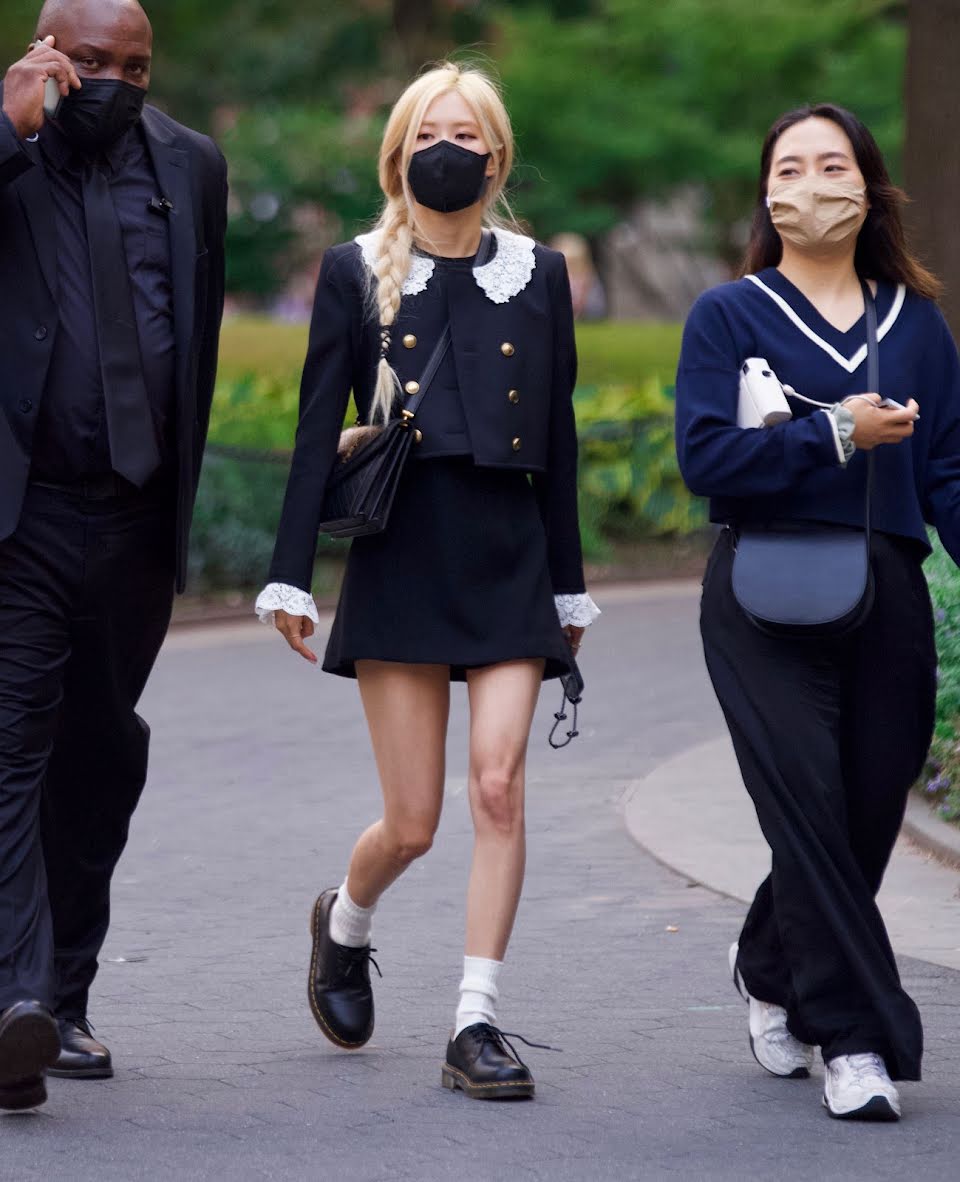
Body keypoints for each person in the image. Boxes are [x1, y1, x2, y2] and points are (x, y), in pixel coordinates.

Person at [256, 62, 598, 1100]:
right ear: (397, 155)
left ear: (496, 157)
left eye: (464, 134)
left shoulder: (539, 274)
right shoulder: (355, 269)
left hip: (507, 555)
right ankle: (345, 920)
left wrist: (571, 587)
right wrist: (288, 578)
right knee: (413, 823)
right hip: (402, 550)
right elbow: (315, 430)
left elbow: (560, 440)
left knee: (497, 786)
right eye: (425, 135)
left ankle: (475, 1021)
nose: (444, 150)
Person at [675, 103, 960, 1123]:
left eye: (832, 165)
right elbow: (707, 458)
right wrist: (835, 432)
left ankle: (767, 963)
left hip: (887, 594)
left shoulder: (917, 324)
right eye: (789, 167)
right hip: (761, 596)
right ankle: (857, 1041)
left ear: (869, 189)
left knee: (862, 820)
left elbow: (949, 470)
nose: (811, 183)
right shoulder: (729, 316)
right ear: (767, 194)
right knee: (804, 804)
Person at [0, 0, 227, 1110]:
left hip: (136, 519)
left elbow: (199, 328)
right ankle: (12, 1002)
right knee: (11, 749)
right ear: (47, 51)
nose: (116, 82)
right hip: (22, 516)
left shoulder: (191, 165)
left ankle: (64, 995)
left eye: (135, 66)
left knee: (98, 755)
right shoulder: (10, 143)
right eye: (92, 61)